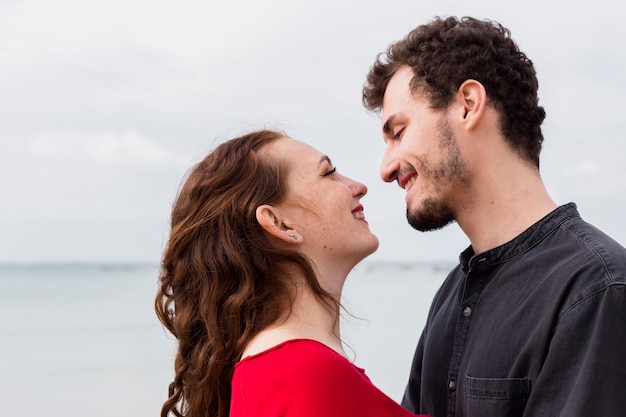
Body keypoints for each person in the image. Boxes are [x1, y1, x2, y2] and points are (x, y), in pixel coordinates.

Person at [361, 16, 626, 417]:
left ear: (468, 105)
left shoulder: (596, 288)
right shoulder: (452, 292)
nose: (385, 168)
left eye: (398, 132)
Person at [155, 129, 428, 417]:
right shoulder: (306, 375)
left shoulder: (277, 371)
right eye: (329, 173)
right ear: (279, 223)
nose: (358, 186)